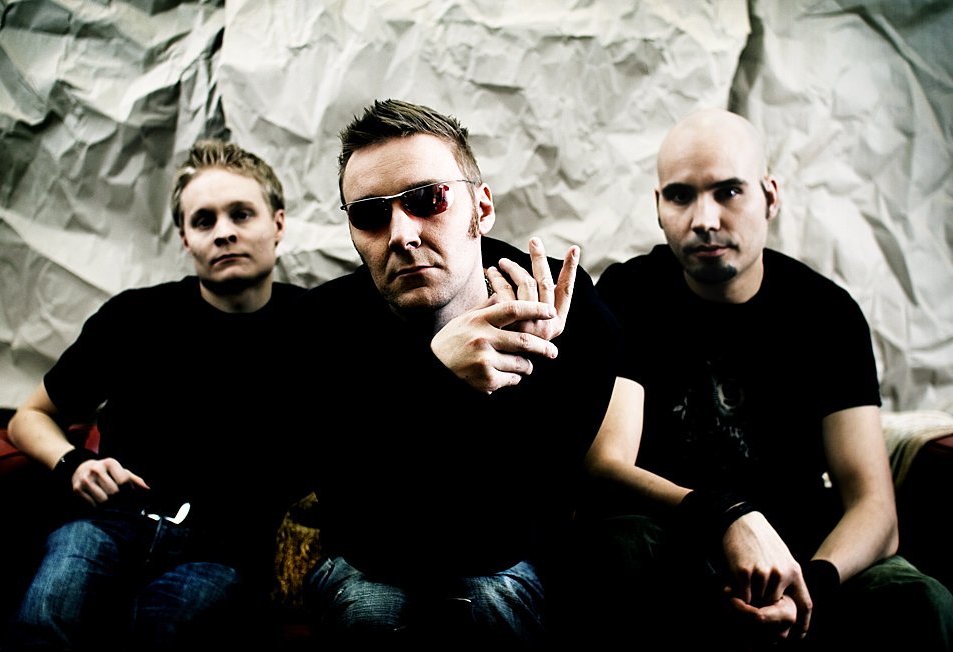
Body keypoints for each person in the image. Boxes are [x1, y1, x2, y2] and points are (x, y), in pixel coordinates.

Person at [586, 107, 953, 649]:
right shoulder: (630, 295)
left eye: (729, 191)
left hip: (802, 553)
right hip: (675, 541)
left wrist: (811, 587)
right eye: (681, 196)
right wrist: (727, 516)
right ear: (658, 206)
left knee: (919, 603)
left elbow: (874, 508)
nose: (704, 218)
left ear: (770, 196)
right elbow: (605, 467)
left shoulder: (827, 314)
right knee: (617, 547)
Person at [290, 98, 635, 649]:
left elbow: (505, 534)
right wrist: (437, 375)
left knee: (483, 600)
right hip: (368, 566)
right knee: (373, 607)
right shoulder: (319, 328)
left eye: (428, 199)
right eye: (370, 214)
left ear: (482, 207)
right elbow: (369, 535)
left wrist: (524, 368)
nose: (401, 234)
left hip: (505, 565)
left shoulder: (567, 311)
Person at [3, 139, 308, 651]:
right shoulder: (135, 317)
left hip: (222, 551)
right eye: (204, 221)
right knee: (48, 616)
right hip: (109, 523)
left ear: (278, 223)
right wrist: (74, 464)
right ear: (186, 239)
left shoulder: (316, 326)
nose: (224, 232)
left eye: (241, 214)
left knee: (162, 632)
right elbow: (28, 417)